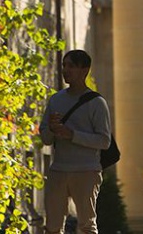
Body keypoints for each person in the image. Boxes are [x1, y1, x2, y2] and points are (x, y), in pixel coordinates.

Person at [39, 50, 113, 234]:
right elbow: (46, 138)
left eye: (71, 65)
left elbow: (104, 141)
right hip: (59, 169)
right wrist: (52, 128)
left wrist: (72, 134)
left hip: (86, 170)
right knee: (52, 226)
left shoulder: (96, 103)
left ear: (84, 70)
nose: (65, 70)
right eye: (64, 65)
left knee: (86, 225)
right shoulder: (56, 99)